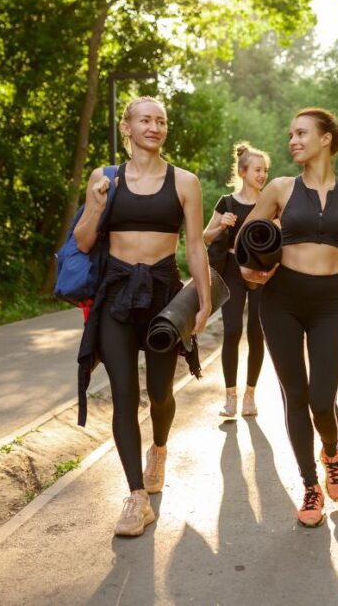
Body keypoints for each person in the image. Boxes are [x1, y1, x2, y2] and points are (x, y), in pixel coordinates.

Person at [74, 96, 211, 537]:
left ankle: (159, 448)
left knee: (160, 393)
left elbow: (194, 245)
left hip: (163, 298)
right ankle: (135, 497)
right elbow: (81, 242)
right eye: (145, 120)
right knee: (124, 395)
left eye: (161, 120)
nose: (154, 126)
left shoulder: (185, 182)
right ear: (127, 128)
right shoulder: (105, 178)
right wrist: (96, 204)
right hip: (115, 296)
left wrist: (203, 300)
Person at [239, 107, 338, 528]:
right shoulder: (280, 187)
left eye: (301, 133)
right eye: (291, 134)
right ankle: (310, 484)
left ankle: (331, 451)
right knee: (294, 394)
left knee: (321, 398)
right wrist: (248, 269)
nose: (293, 140)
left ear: (326, 139)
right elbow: (246, 236)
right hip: (280, 300)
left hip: (331, 303)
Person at [203, 142, 270, 419]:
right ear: (243, 172)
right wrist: (222, 225)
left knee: (256, 333)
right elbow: (206, 236)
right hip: (231, 268)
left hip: (260, 270)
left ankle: (249, 397)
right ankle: (230, 398)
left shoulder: (270, 201)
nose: (262, 175)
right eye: (257, 169)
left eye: (265, 170)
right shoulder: (226, 202)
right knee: (232, 331)